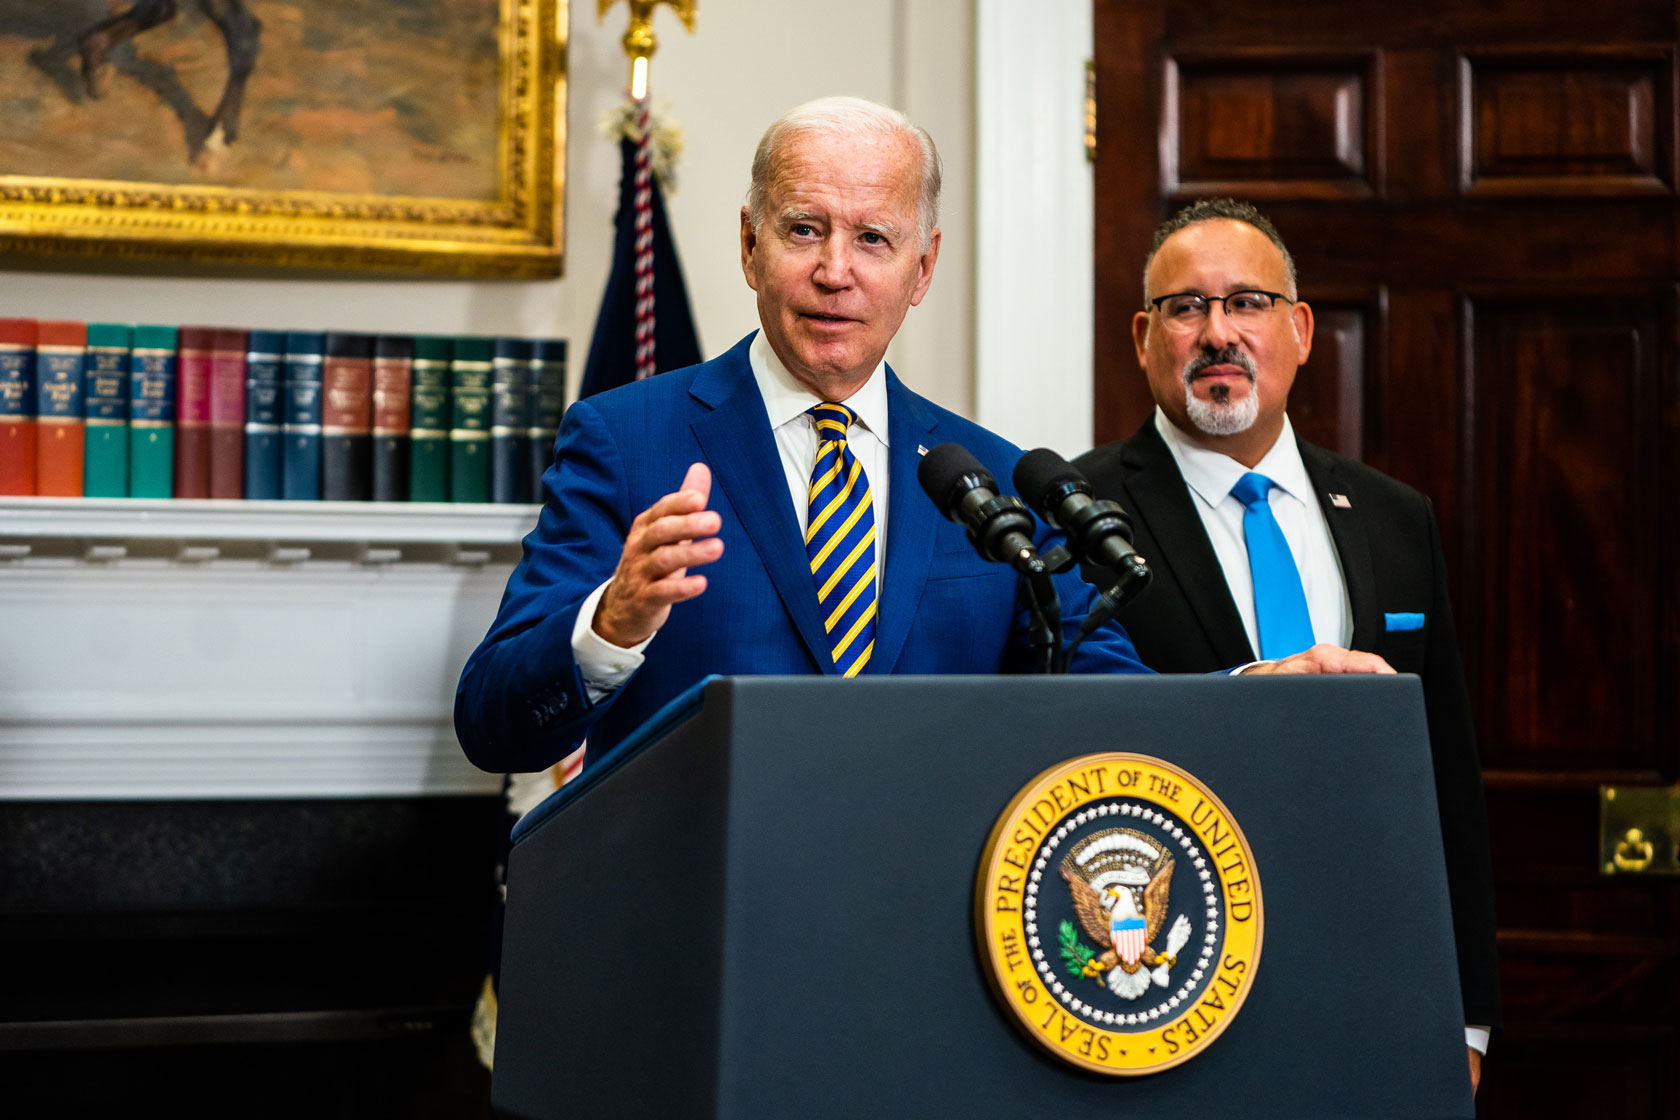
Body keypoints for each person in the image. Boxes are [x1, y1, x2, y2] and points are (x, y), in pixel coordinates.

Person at [454, 96, 1174, 776]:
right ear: (749, 246)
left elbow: (1110, 693)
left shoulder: (991, 478)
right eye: (804, 229)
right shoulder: (623, 440)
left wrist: (1243, 689)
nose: (836, 272)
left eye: (872, 239)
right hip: (703, 894)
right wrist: (611, 623)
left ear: (921, 268)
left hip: (919, 895)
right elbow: (491, 721)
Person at [1072, 198, 1500, 1092]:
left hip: (1377, 980)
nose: (1218, 332)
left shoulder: (1393, 517)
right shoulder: (1076, 514)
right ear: (1145, 337)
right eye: (1186, 308)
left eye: (1249, 303)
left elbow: (1447, 781)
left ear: (1300, 330)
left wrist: (1465, 1021)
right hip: (1163, 984)